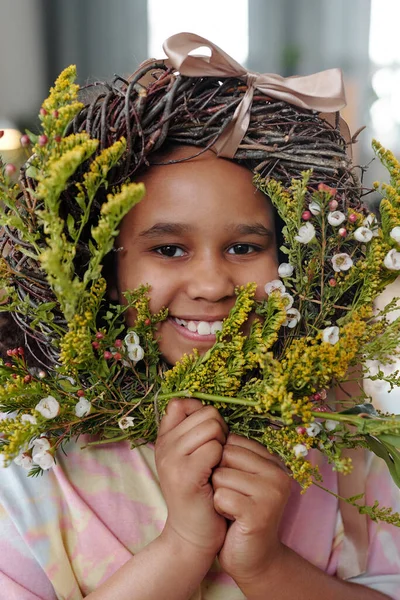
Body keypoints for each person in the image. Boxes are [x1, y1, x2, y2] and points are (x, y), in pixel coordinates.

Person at [0, 33, 399, 600]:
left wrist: (266, 567)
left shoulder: (344, 435)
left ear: (294, 261)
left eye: (244, 248)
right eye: (168, 250)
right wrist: (183, 545)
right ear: (103, 269)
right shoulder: (36, 455)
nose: (212, 286)